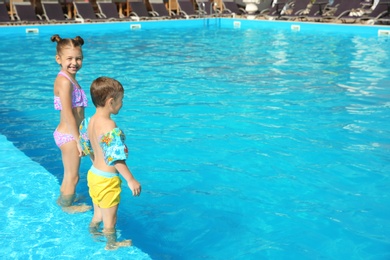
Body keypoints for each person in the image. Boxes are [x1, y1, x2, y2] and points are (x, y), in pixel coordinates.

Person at [79, 77, 141, 250]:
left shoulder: (89, 121)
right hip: (107, 180)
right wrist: (130, 179)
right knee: (110, 220)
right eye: (121, 100)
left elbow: (85, 146)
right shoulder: (109, 124)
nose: (122, 104)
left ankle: (92, 232)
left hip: (94, 174)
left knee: (98, 214)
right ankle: (112, 244)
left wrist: (96, 164)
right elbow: (115, 157)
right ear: (111, 102)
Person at [51, 34, 91, 213]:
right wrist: (78, 140)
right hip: (69, 136)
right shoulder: (64, 81)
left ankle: (66, 196)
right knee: (73, 177)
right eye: (69, 59)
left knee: (70, 175)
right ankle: (66, 206)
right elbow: (67, 112)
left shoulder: (70, 78)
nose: (74, 62)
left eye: (78, 58)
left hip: (71, 134)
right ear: (58, 59)